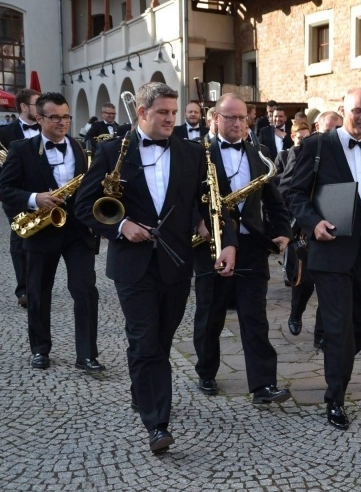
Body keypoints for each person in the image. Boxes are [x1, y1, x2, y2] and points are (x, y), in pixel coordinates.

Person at [73, 82, 238, 454]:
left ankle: (142, 389)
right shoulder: (111, 150)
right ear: (143, 112)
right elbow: (84, 206)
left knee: (159, 340)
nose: (170, 119)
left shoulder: (193, 152)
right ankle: (157, 424)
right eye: (163, 112)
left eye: (173, 112)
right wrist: (120, 227)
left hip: (177, 263)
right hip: (132, 265)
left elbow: (212, 202)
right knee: (146, 338)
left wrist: (220, 237)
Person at [286, 88, 361, 430]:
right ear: (342, 109)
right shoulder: (316, 146)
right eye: (357, 111)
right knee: (337, 326)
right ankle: (335, 397)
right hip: (330, 253)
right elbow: (291, 190)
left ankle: (339, 353)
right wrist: (312, 222)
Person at [192, 93, 292, 403]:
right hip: (213, 245)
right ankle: (206, 371)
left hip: (251, 246)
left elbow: (275, 201)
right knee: (211, 314)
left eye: (242, 118)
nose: (237, 123)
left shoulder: (259, 153)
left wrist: (283, 232)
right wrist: (199, 224)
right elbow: (185, 198)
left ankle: (262, 385)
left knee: (255, 317)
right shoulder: (198, 153)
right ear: (215, 119)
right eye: (230, 117)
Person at [0, 92, 101, 372]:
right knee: (38, 293)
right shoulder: (21, 150)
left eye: (66, 116)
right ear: (39, 118)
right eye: (54, 117)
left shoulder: (81, 149)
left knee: (85, 291)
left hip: (78, 232)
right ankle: (40, 350)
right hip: (41, 230)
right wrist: (35, 198)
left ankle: (87, 355)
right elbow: (4, 189)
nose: (62, 122)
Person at [281, 112, 342, 350]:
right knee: (305, 282)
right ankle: (296, 313)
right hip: (306, 231)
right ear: (318, 127)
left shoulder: (343, 154)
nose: (334, 135)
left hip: (335, 228)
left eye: (338, 129)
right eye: (329, 130)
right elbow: (287, 189)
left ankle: (320, 333)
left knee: (327, 288)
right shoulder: (305, 150)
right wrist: (307, 218)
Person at [0, 88, 41, 308]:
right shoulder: (5, 133)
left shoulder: (46, 128)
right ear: (24, 107)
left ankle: (39, 284)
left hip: (44, 194)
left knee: (41, 238)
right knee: (20, 237)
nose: (41, 109)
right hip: (16, 195)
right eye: (37, 104)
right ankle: (23, 289)